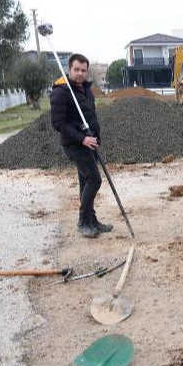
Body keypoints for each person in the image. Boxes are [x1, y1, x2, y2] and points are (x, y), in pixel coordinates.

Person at [50, 54, 113, 238]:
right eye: (76, 69)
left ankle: (92, 220)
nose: (80, 73)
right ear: (69, 69)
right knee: (95, 180)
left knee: (86, 182)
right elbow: (58, 123)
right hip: (75, 144)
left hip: (89, 142)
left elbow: (91, 116)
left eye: (83, 70)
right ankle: (83, 222)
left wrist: (96, 139)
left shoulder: (86, 90)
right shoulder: (61, 92)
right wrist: (82, 139)